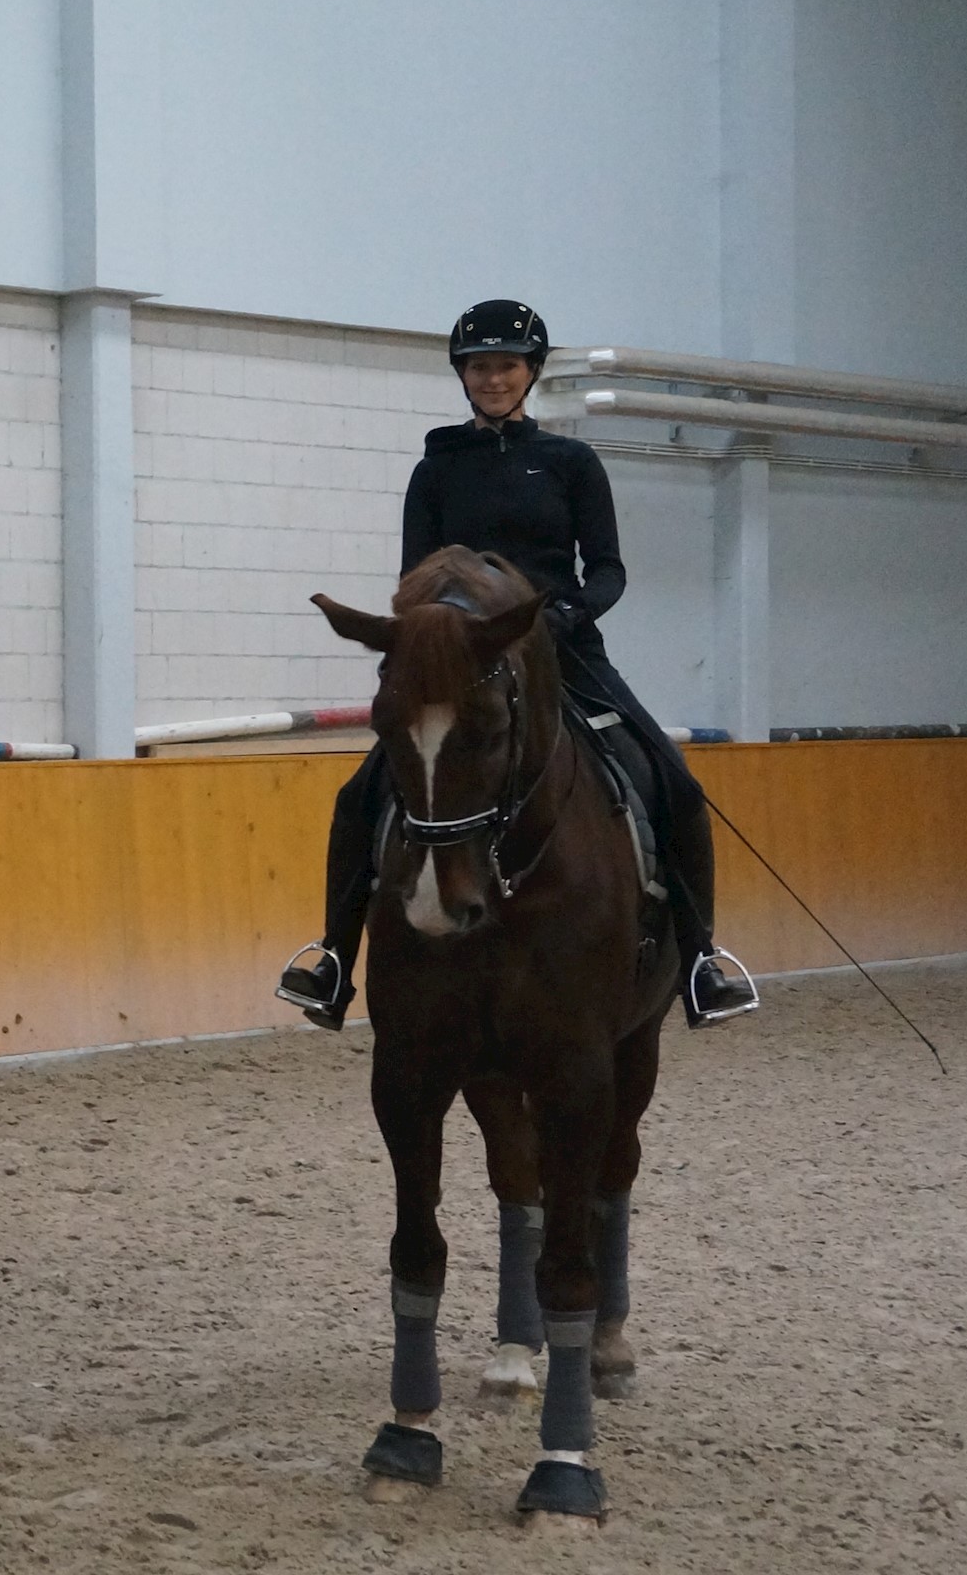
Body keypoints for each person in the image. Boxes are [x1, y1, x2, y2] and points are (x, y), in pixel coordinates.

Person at [278, 299, 759, 1030]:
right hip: (464, 664)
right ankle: (334, 958)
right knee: (360, 795)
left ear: (530, 373)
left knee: (674, 779)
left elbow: (607, 570)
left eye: (505, 366)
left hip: (565, 652)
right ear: (463, 377)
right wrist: (441, 641)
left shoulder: (570, 463)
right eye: (479, 367)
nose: (493, 378)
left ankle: (699, 960)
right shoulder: (436, 469)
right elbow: (417, 577)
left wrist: (565, 616)